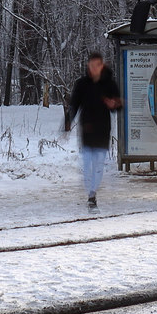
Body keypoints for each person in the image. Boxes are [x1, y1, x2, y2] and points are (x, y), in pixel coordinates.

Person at [64, 50, 121, 208]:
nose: (95, 68)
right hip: (87, 129)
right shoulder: (82, 84)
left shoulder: (109, 83)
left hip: (103, 130)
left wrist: (115, 104)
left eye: (98, 65)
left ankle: (92, 193)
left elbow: (118, 105)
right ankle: (90, 192)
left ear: (102, 65)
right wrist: (68, 121)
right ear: (88, 65)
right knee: (87, 164)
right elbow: (75, 104)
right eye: (92, 65)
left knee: (98, 165)